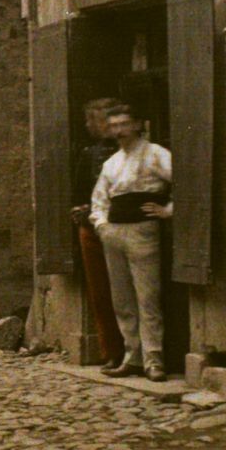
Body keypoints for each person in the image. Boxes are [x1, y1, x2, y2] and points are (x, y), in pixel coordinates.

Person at [88, 103, 174, 381]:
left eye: (124, 124)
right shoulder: (111, 163)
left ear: (138, 124)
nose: (119, 131)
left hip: (143, 231)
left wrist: (167, 211)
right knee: (122, 299)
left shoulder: (156, 154)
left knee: (147, 297)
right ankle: (132, 356)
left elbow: (185, 184)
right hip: (115, 233)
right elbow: (99, 200)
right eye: (113, 126)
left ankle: (154, 360)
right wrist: (102, 226)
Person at [68, 97, 126, 369]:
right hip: (94, 228)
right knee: (101, 293)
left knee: (128, 291)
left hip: (124, 227)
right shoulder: (89, 154)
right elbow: (79, 191)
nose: (88, 125)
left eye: (93, 119)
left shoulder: (129, 153)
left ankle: (134, 351)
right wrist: (81, 210)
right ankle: (111, 350)